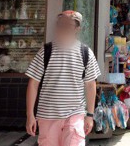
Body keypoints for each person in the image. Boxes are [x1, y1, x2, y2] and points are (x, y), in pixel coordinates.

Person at [25, 10, 100, 146]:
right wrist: (30, 115)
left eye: (68, 25)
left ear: (77, 29)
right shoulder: (46, 51)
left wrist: (89, 115)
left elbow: (90, 85)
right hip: (47, 116)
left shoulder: (86, 53)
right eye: (60, 24)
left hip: (75, 115)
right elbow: (33, 83)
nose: (63, 28)